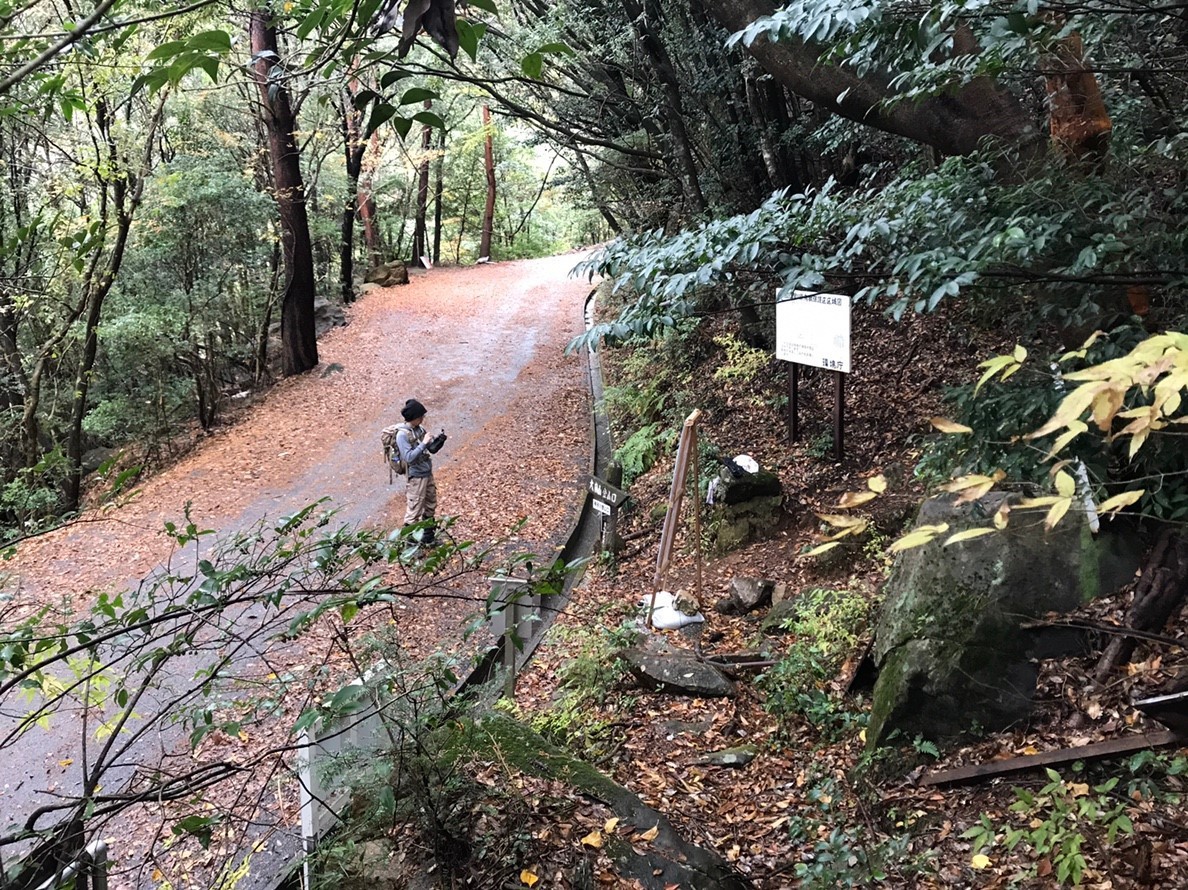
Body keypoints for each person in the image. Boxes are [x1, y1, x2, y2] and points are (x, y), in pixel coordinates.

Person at [395, 398, 441, 543]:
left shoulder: (420, 430)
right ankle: (410, 545)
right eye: (421, 416)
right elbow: (409, 457)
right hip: (416, 477)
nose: (423, 419)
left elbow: (429, 449)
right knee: (414, 509)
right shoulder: (402, 435)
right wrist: (424, 443)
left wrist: (437, 442)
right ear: (414, 417)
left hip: (427, 473)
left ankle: (428, 537)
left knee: (430, 503)